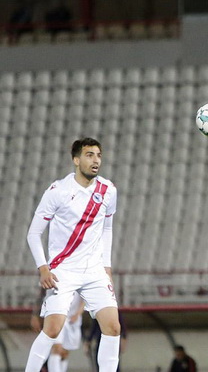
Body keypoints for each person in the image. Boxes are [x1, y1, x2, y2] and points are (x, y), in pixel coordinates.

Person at [24, 138, 120, 372]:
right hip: (63, 270)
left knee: (113, 328)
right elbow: (33, 233)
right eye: (89, 155)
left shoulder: (108, 190)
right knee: (52, 329)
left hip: (94, 270)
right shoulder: (58, 191)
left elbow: (107, 229)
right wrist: (43, 268)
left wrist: (106, 267)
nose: (96, 160)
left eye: (98, 155)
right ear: (76, 160)